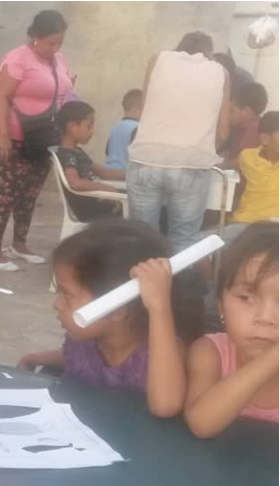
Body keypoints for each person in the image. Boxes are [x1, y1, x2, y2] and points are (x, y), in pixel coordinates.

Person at [17, 219, 193, 418]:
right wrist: (35, 358)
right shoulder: (85, 341)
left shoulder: (163, 353)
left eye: (67, 294)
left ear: (117, 309)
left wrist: (159, 307)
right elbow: (76, 359)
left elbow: (165, 406)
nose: (56, 304)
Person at [0, 10, 74, 271]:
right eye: (50, 43)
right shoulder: (17, 59)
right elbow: (0, 97)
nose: (55, 48)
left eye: (59, 43)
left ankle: (19, 244)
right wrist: (3, 135)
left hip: (44, 136)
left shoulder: (59, 60)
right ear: (36, 37)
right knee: (10, 191)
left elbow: (66, 91)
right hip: (15, 136)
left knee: (31, 192)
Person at [127, 31, 231, 252]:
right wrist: (201, 149)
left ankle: (143, 274)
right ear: (209, 53)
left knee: (142, 237)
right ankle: (176, 276)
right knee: (184, 240)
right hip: (191, 164)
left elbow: (145, 111)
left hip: (146, 158)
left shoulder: (157, 60)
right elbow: (223, 132)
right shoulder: (221, 73)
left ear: (179, 47)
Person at [184, 222, 278, 438]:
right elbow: (201, 424)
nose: (265, 318)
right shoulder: (210, 352)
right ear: (220, 306)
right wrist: (274, 357)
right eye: (246, 298)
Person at [55, 101, 126, 222]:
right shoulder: (66, 154)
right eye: (89, 126)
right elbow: (74, 182)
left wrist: (132, 174)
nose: (92, 131)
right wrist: (106, 188)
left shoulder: (76, 151)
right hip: (93, 210)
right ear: (72, 127)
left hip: (98, 202)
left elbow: (104, 173)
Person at [221, 82, 268, 170]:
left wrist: (220, 166)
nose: (228, 115)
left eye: (232, 111)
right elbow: (232, 151)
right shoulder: (239, 126)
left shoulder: (254, 129)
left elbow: (240, 161)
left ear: (246, 111)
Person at [105, 89, 142, 171]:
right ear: (136, 109)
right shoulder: (138, 128)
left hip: (108, 171)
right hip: (124, 174)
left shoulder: (115, 127)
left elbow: (108, 151)